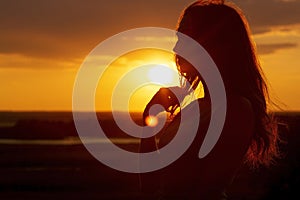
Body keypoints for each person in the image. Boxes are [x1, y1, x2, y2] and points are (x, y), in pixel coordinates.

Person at [140, 0, 280, 199]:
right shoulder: (194, 108)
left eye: (185, 36)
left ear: (213, 43)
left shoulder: (236, 108)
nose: (175, 48)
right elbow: (149, 185)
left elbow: (208, 192)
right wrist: (149, 122)